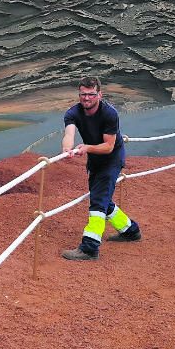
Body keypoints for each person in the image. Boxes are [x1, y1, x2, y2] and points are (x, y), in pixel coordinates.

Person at [61, 76, 141, 261]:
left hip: (111, 159)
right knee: (102, 198)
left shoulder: (109, 114)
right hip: (95, 161)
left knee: (98, 202)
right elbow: (69, 133)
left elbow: (109, 146)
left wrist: (87, 148)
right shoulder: (72, 113)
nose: (86, 98)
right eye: (83, 94)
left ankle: (90, 247)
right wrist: (67, 147)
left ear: (99, 94)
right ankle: (131, 230)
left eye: (91, 94)